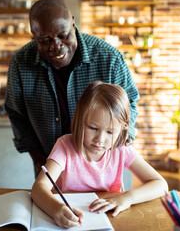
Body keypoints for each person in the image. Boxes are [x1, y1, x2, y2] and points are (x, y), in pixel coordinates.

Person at [4, 0, 140, 177]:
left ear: (73, 24)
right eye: (45, 41)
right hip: (49, 163)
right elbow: (16, 112)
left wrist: (121, 139)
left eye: (63, 35)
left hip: (101, 165)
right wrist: (35, 156)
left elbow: (129, 102)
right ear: (34, 35)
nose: (56, 46)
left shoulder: (109, 58)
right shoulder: (20, 63)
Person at [31, 81, 168, 228]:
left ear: (122, 130)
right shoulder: (64, 146)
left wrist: (126, 198)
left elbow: (161, 185)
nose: (100, 139)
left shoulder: (121, 149)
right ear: (79, 121)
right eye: (93, 128)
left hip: (108, 220)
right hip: (70, 219)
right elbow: (39, 188)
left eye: (110, 132)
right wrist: (55, 209)